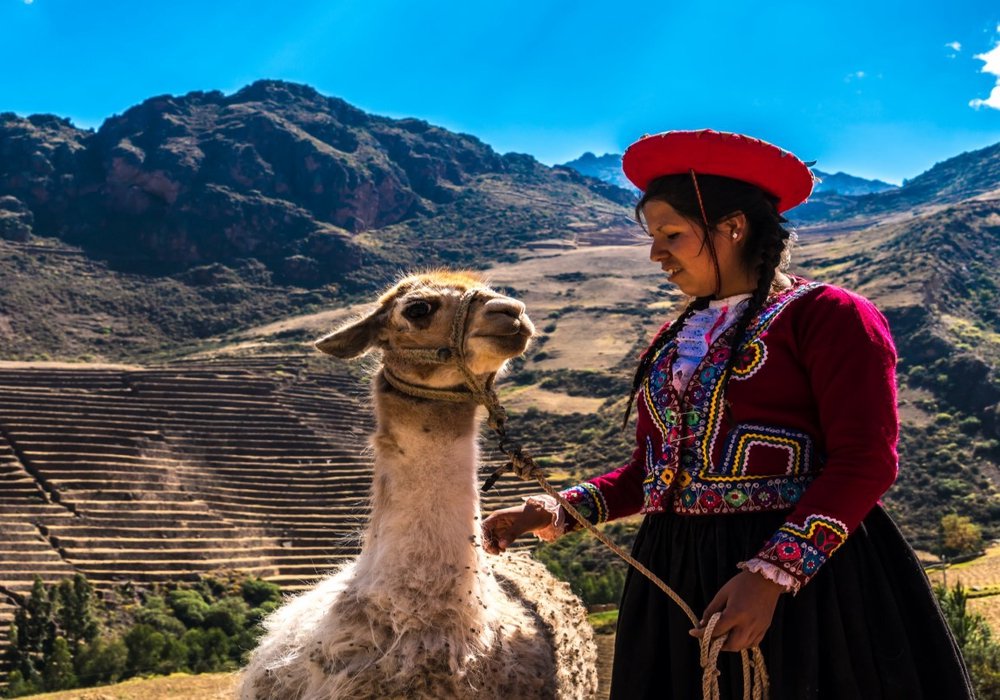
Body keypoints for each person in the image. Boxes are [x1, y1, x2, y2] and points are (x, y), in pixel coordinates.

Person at [482, 129, 974, 698]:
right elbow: (653, 473)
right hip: (675, 574)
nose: (655, 254)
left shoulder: (830, 316)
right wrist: (557, 510)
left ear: (732, 227)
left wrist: (769, 576)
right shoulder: (677, 338)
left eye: (671, 235)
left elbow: (866, 462)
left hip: (807, 586)